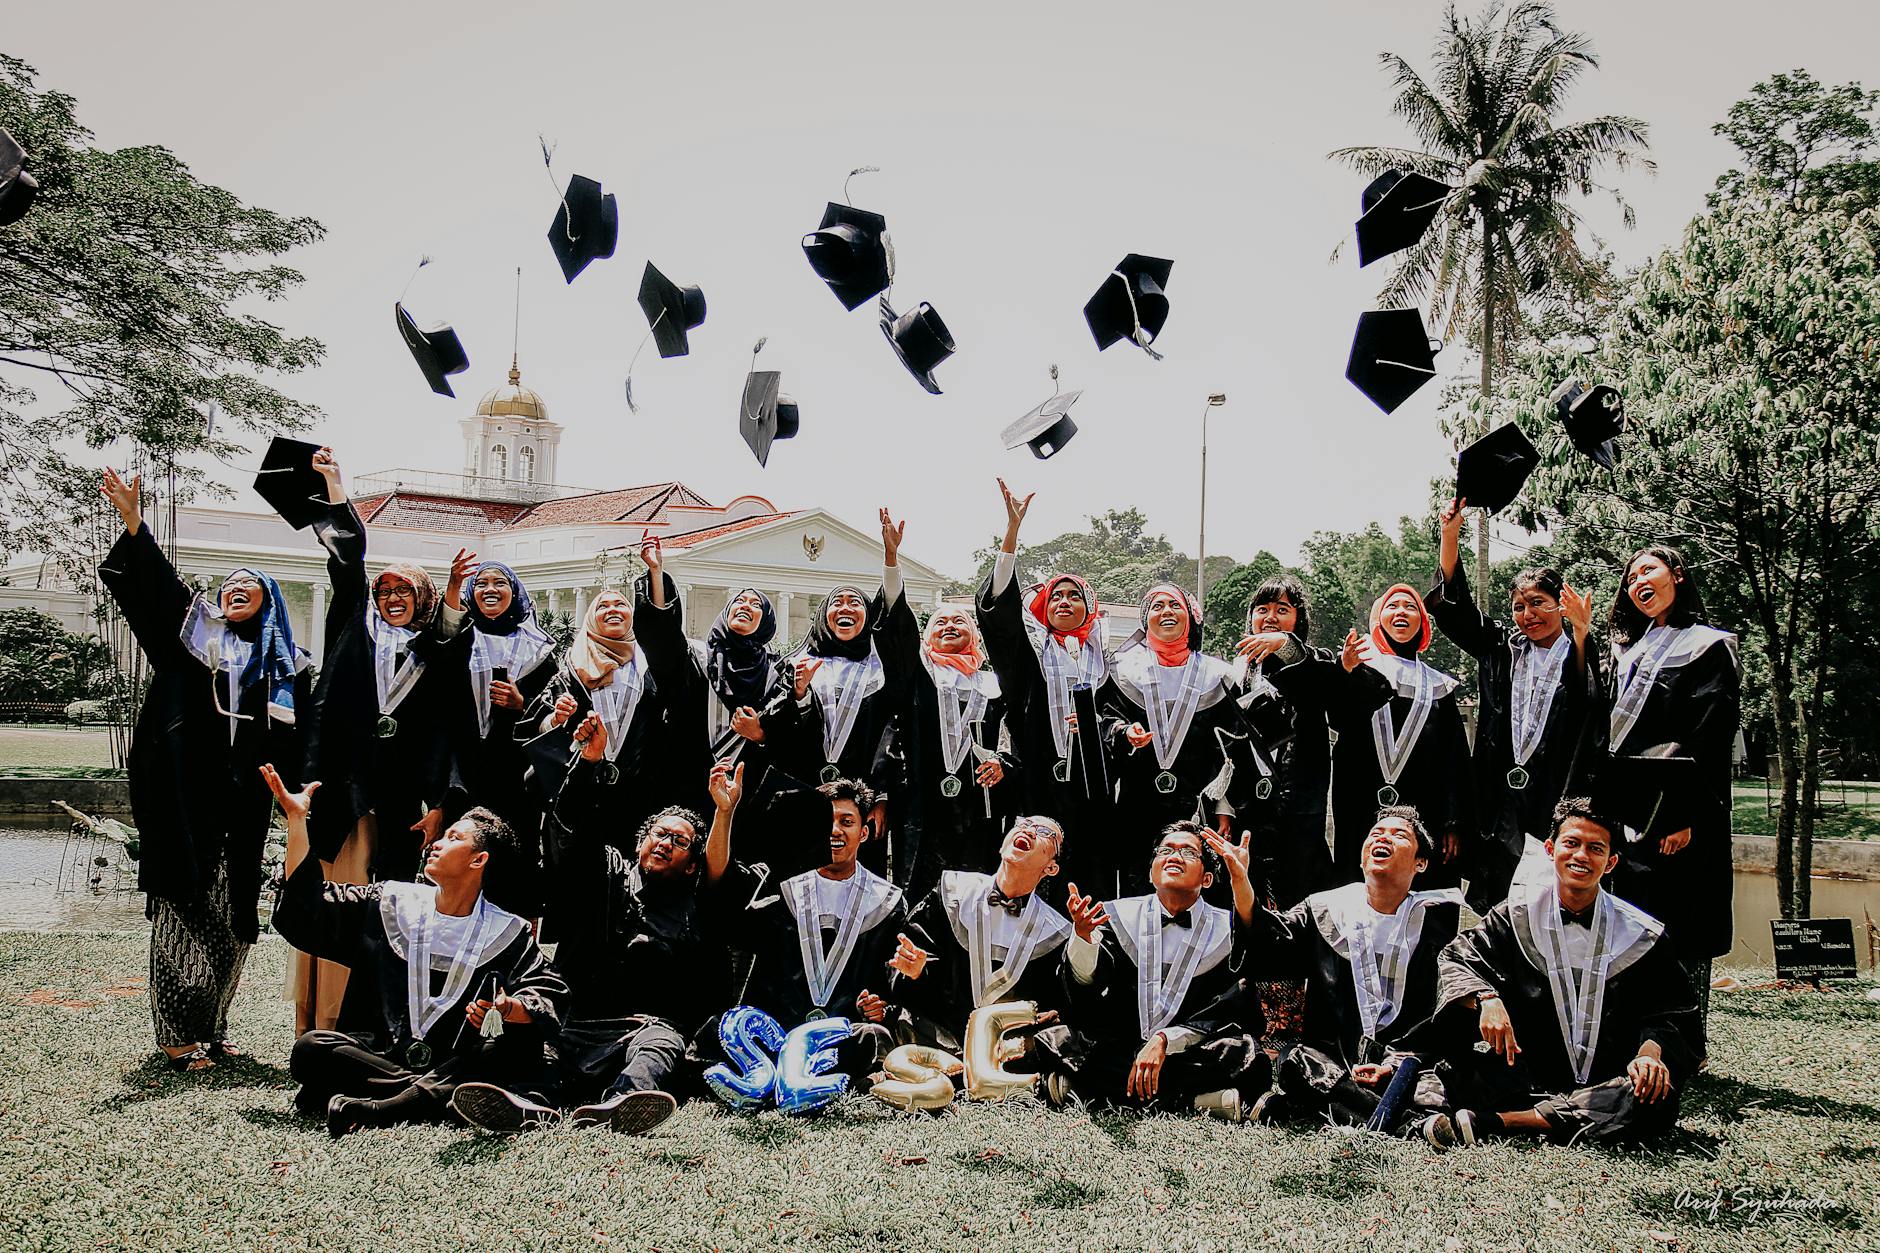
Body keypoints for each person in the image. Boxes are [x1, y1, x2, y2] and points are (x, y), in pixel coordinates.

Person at [97, 467, 313, 1072]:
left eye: (251, 587)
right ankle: (175, 1035)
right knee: (182, 907)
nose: (236, 591)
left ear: (270, 601)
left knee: (235, 915)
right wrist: (134, 522)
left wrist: (298, 796)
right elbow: (159, 593)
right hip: (185, 798)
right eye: (230, 586)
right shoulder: (193, 643)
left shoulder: (284, 669)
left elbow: (300, 741)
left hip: (244, 804)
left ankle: (213, 1027)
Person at [263, 765, 568, 1138]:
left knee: (515, 1055)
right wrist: (297, 822)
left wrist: (508, 1007)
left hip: (453, 1060)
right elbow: (308, 907)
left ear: (479, 860)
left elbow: (548, 994)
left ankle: (385, 1107)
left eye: (453, 837)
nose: (436, 842)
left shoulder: (507, 931)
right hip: (382, 1056)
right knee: (312, 1048)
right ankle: (440, 1099)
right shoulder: (390, 903)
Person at [450, 732, 726, 1136]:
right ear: (639, 843)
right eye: (659, 834)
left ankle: (620, 1104)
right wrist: (588, 764)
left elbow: (721, 870)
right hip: (572, 1022)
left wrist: (724, 810)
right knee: (532, 1040)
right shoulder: (604, 871)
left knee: (661, 1044)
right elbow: (573, 830)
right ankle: (529, 1104)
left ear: (691, 865)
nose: (666, 842)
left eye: (680, 841)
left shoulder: (695, 905)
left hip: (638, 1027)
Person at [298, 449, 469, 1032]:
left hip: (399, 804)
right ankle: (321, 1020)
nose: (392, 597)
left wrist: (443, 803)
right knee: (336, 903)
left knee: (391, 910)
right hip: (343, 796)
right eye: (385, 590)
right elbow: (347, 567)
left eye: (404, 591)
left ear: (421, 599)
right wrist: (336, 490)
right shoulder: (352, 630)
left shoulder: (433, 654)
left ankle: (377, 1023)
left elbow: (446, 728)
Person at [1434, 798, 1698, 1146]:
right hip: (1526, 1073)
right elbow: (1456, 959)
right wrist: (1487, 998)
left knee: (1653, 1099)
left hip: (1609, 1079)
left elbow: (1673, 1013)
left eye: (1596, 848)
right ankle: (1557, 1116)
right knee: (1442, 1077)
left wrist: (1650, 1053)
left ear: (1611, 861)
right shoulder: (1515, 918)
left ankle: (1506, 1122)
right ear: (1550, 849)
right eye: (1571, 843)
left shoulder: (1641, 935)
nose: (1581, 856)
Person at [1240, 806, 1463, 1144]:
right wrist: (1242, 884)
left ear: (1421, 863)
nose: (1383, 837)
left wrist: (1392, 1064)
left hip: (1403, 1062)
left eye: (1399, 835)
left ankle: (1319, 1105)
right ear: (1361, 858)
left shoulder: (1435, 923)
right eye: (1375, 833)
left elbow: (1439, 1017)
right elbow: (1270, 944)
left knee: (1438, 1081)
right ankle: (1409, 1125)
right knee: (1296, 1062)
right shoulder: (1327, 909)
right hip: (1336, 1060)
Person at [1428, 498, 1601, 912]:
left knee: (1552, 897)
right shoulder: (1502, 649)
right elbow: (1457, 613)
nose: (1528, 615)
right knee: (1500, 898)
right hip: (1499, 794)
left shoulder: (1583, 649)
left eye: (1539, 603)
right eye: (1519, 607)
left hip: (1556, 789)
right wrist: (1450, 536)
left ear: (1562, 604)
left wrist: (1581, 634)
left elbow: (1588, 705)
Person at [1600, 545, 1740, 1047]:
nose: (1638, 581)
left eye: (1649, 570)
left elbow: (1709, 737)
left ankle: (1686, 1041)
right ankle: (1640, 1036)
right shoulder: (1627, 653)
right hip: (1627, 809)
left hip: (1680, 811)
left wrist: (1684, 814)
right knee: (1632, 921)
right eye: (1631, 576)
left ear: (1677, 575)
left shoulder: (1708, 647)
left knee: (1681, 923)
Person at [1033, 822, 1266, 1119]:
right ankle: (1194, 1102)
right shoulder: (1117, 916)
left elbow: (1229, 1009)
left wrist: (1165, 1041)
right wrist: (1083, 939)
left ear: (1207, 879)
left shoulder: (1227, 931)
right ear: (1151, 873)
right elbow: (1085, 986)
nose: (1174, 856)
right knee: (1062, 1040)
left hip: (1188, 1050)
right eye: (1165, 850)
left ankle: (1089, 1090)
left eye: (1188, 852)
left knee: (1244, 1053)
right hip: (1124, 1046)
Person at [520, 536, 708, 880]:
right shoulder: (572, 669)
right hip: (583, 792)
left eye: (620, 605)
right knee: (581, 880)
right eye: (603, 606)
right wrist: (555, 718)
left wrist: (655, 573)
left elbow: (666, 638)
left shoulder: (650, 666)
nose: (612, 610)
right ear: (591, 619)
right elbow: (535, 725)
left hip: (642, 792)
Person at [699, 773, 903, 1078]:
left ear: (863, 832)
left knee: (874, 1037)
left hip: (840, 1033)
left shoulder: (885, 901)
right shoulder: (779, 882)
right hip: (775, 1028)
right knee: (721, 1029)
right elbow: (720, 880)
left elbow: (888, 986)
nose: (835, 830)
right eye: (827, 821)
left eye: (847, 822)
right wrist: (725, 812)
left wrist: (879, 1006)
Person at [974, 480, 1116, 897]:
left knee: (1092, 881)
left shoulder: (1109, 660)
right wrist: (1011, 537)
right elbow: (999, 621)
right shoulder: (1030, 654)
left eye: (1074, 596)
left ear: (1088, 607)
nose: (1065, 602)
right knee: (1039, 883)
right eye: (1057, 597)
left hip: (1094, 789)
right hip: (1039, 782)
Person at [876, 508, 1017, 897]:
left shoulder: (994, 685)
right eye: (941, 622)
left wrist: (1004, 763)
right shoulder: (919, 678)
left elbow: (1014, 734)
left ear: (974, 636)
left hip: (981, 809)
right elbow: (897, 633)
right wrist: (892, 560)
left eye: (960, 622)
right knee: (919, 897)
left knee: (978, 899)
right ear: (927, 638)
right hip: (924, 804)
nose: (951, 626)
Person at [1103, 583, 1251, 894]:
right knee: (1138, 889)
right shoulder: (1121, 671)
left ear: (1191, 618)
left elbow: (1232, 747)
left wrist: (1225, 805)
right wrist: (1122, 733)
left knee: (1201, 889)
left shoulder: (1219, 677)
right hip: (1138, 806)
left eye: (1174, 605)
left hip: (1199, 808)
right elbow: (1105, 719)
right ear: (1145, 621)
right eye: (1157, 606)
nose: (1166, 611)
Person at [1325, 583, 1475, 889]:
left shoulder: (1437, 687)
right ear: (1378, 619)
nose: (1401, 612)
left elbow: (1454, 759)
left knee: (1422, 892)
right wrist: (1346, 675)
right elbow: (1339, 720)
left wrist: (1452, 821)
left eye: (1410, 606)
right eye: (1392, 606)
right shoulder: (1359, 669)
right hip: (1360, 804)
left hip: (1425, 811)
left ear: (1422, 620)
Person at [1231, 576, 1366, 910]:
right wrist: (1224, 806)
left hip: (1300, 805)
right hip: (1250, 802)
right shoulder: (1238, 671)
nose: (1271, 617)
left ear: (1299, 619)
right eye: (1262, 609)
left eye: (1283, 609)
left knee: (1301, 895)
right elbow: (1227, 742)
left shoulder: (1315, 661)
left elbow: (1322, 685)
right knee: (1249, 895)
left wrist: (1284, 645)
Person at [889, 815, 1073, 1055]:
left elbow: (1052, 1005)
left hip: (1008, 1048)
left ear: (1051, 867)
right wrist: (915, 972)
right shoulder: (952, 893)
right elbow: (912, 973)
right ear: (1002, 845)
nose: (1028, 831)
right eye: (1023, 824)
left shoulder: (1055, 932)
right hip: (941, 1036)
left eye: (1042, 832)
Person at [763, 579, 906, 882]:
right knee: (798, 876)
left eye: (854, 602)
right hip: (804, 790)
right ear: (822, 615)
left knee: (858, 879)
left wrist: (881, 797)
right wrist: (799, 695)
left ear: (868, 615)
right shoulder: (795, 665)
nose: (845, 608)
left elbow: (890, 733)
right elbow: (779, 736)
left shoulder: (880, 670)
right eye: (836, 602)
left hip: (861, 797)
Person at [442, 559, 555, 915]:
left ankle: (510, 940)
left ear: (515, 592)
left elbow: (553, 708)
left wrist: (523, 704)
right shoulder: (460, 637)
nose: (490, 590)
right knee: (461, 853)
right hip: (464, 768)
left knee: (512, 855)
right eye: (482, 584)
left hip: (515, 774)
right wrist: (455, 584)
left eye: (500, 583)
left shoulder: (538, 647)